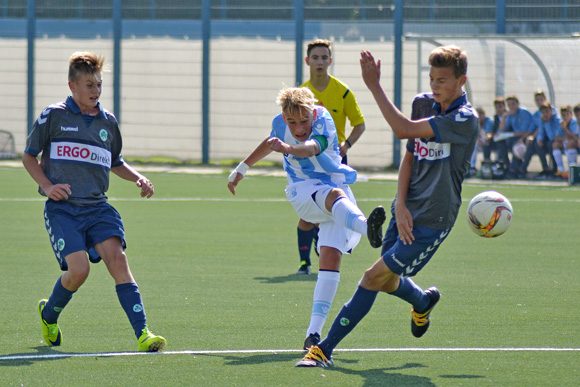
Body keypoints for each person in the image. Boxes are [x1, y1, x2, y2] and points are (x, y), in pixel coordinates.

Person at [296, 46, 478, 368]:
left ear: (461, 81)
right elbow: (410, 154)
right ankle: (423, 301)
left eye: (443, 80)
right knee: (388, 280)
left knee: (372, 277)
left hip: (434, 219)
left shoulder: (465, 120)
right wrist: (402, 205)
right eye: (432, 78)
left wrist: (374, 86)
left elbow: (403, 129)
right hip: (406, 210)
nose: (435, 86)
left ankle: (323, 350)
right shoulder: (423, 102)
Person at [22, 52, 166, 352]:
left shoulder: (108, 121)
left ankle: (144, 334)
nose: (95, 91)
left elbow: (115, 162)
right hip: (64, 210)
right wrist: (47, 186)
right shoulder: (54, 115)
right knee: (79, 272)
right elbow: (28, 156)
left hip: (99, 208)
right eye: (89, 85)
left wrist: (139, 177)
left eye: (98, 85)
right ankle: (49, 315)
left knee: (119, 261)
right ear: (72, 85)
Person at [227, 86, 385, 351]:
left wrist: (288, 147)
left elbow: (313, 147)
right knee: (333, 195)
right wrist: (242, 168)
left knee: (330, 257)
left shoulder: (324, 120)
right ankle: (368, 228)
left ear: (313, 111)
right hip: (303, 191)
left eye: (303, 120)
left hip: (336, 194)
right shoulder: (280, 123)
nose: (298, 127)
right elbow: (270, 141)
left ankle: (313, 334)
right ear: (284, 117)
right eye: (292, 122)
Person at [295, 39, 367, 275]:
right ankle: (304, 263)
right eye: (315, 58)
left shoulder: (343, 92)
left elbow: (359, 125)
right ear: (307, 61)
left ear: (330, 61)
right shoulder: (301, 94)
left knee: (335, 213)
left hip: (335, 162)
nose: (319, 62)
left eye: (324, 58)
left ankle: (328, 256)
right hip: (308, 163)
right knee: (306, 215)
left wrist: (346, 145)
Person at [501, 95, 544, 179]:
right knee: (503, 143)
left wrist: (517, 137)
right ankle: (507, 166)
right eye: (509, 105)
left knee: (517, 146)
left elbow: (525, 131)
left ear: (518, 103)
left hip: (527, 137)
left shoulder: (524, 113)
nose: (511, 107)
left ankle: (514, 170)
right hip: (518, 138)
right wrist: (504, 116)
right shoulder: (510, 114)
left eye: (513, 104)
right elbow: (502, 129)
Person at [549, 105, 579, 179]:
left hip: (574, 144)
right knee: (555, 144)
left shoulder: (574, 122)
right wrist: (565, 138)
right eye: (563, 115)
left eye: (567, 115)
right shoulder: (561, 123)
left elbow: (574, 137)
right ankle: (561, 170)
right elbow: (556, 138)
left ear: (571, 115)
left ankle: (571, 169)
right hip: (566, 143)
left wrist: (565, 129)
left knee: (570, 143)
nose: (565, 117)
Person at [467, 106, 493, 177]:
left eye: (481, 114)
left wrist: (485, 139)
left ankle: (486, 166)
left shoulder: (488, 121)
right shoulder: (473, 122)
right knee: (473, 145)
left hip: (487, 142)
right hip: (478, 142)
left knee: (486, 144)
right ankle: (472, 167)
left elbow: (489, 134)